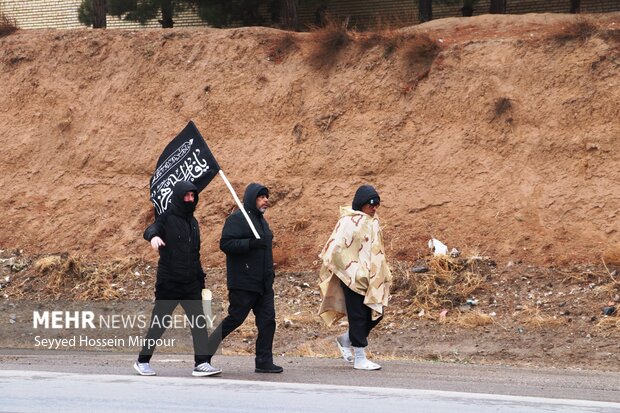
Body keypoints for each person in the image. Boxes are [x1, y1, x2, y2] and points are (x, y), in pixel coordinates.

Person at [134, 181, 221, 377]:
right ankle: (142, 361)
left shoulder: (194, 223)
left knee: (198, 323)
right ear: (178, 196)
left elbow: (195, 255)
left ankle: (201, 363)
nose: (190, 199)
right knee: (159, 323)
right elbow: (151, 229)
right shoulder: (166, 217)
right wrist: (153, 237)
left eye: (193, 196)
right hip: (169, 282)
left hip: (190, 283)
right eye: (186, 196)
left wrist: (201, 282)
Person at [205, 183, 283, 373]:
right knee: (235, 319)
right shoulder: (238, 219)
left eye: (266, 196)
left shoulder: (262, 221)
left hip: (264, 283)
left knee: (268, 321)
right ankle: (203, 354)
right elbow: (226, 244)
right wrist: (250, 243)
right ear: (251, 198)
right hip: (244, 282)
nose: (266, 200)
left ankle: (264, 361)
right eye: (261, 196)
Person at [318, 184, 392, 370]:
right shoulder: (348, 221)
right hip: (352, 278)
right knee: (358, 316)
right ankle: (360, 357)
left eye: (377, 204)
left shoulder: (373, 221)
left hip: (372, 279)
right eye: (371, 203)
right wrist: (351, 271)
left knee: (377, 313)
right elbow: (335, 248)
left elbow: (376, 250)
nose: (375, 207)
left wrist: (382, 273)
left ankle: (346, 339)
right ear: (362, 203)